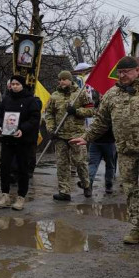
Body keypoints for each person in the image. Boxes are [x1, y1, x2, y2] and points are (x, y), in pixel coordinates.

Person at [71, 55, 139, 249]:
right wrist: (86, 137)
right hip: (126, 149)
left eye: (127, 72)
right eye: (120, 73)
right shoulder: (112, 94)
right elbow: (102, 121)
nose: (123, 76)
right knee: (131, 190)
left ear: (137, 70)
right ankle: (136, 228)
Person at [0, 75, 42, 211]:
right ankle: (5, 195)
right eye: (12, 84)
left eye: (17, 84)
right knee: (5, 168)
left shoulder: (30, 100)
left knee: (22, 169)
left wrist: (23, 129)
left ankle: (21, 197)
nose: (14, 86)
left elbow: (34, 119)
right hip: (7, 140)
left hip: (23, 141)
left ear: (22, 85)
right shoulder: (6, 99)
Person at [44, 70, 94, 200]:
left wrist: (76, 111)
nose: (62, 82)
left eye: (64, 79)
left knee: (80, 162)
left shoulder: (80, 94)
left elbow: (91, 111)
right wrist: (51, 129)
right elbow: (49, 114)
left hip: (76, 135)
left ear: (70, 80)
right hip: (60, 135)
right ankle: (64, 191)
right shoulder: (54, 96)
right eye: (60, 80)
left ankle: (86, 185)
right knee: (62, 164)